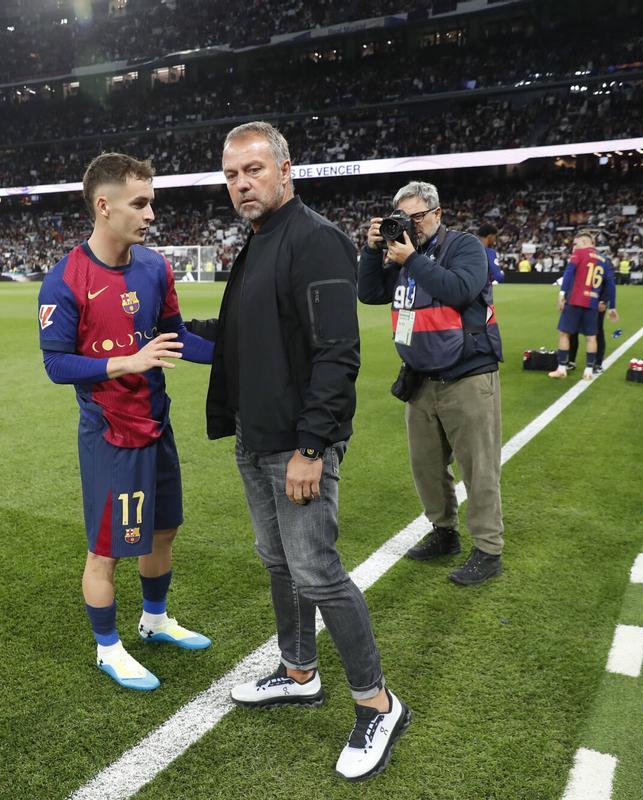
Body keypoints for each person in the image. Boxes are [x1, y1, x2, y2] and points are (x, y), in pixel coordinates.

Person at [194, 121, 409, 783]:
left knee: (316, 572)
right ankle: (298, 672)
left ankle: (377, 702)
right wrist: (167, 329)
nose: (241, 184)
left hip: (297, 447)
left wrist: (311, 448)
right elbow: (236, 338)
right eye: (232, 175)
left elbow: (338, 354)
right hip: (255, 442)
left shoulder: (315, 241)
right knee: (279, 563)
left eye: (253, 170)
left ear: (286, 171)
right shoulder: (256, 242)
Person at [37, 152, 214, 693]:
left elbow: (173, 335)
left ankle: (155, 620)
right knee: (108, 548)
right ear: (104, 205)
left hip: (156, 422)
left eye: (151, 202)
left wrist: (239, 355)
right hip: (110, 434)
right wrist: (125, 362)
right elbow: (56, 363)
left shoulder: (156, 267)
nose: (151, 214)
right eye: (140, 203)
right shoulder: (66, 279)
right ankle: (108, 648)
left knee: (165, 529)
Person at [359, 180, 506, 586]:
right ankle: (444, 533)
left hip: (468, 374)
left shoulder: (465, 247)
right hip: (420, 377)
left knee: (478, 467)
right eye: (403, 218)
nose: (412, 225)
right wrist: (373, 252)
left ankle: (488, 550)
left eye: (418, 217)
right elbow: (369, 292)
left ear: (438, 214)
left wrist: (411, 260)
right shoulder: (403, 253)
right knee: (426, 467)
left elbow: (460, 289)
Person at [549, 232, 618, 380]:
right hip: (592, 303)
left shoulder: (579, 253)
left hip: (575, 300)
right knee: (592, 337)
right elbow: (611, 284)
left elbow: (568, 273)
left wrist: (561, 295)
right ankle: (588, 371)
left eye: (576, 243)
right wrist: (612, 306)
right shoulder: (605, 260)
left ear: (585, 242)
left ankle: (562, 368)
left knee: (564, 334)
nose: (575, 246)